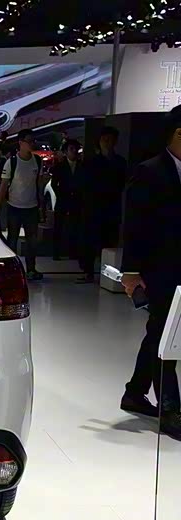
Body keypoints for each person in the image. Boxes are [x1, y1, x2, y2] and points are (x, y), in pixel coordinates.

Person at [120, 106, 181, 439]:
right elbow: (134, 226)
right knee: (164, 333)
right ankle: (170, 408)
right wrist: (130, 272)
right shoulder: (149, 172)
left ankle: (135, 391)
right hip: (159, 269)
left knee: (160, 331)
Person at [77, 126, 127, 283]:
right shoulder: (91, 162)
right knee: (90, 241)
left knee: (109, 242)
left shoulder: (120, 162)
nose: (107, 143)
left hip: (111, 208)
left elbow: (122, 183)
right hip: (93, 208)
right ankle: (88, 272)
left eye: (110, 140)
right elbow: (85, 185)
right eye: (105, 139)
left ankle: (108, 275)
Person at [0, 128, 44, 281]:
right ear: (21, 143)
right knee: (12, 239)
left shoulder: (37, 161)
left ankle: (31, 269)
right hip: (14, 207)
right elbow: (3, 185)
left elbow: (39, 184)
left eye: (33, 141)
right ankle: (11, 270)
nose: (32, 144)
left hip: (32, 207)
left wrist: (41, 205)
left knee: (32, 242)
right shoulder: (12, 162)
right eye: (29, 141)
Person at [50, 138, 84, 260]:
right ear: (66, 152)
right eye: (71, 149)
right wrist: (61, 195)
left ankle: (72, 252)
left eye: (76, 149)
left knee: (75, 226)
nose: (74, 151)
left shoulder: (82, 165)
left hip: (76, 200)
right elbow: (54, 184)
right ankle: (56, 252)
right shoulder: (60, 166)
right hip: (63, 200)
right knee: (59, 226)